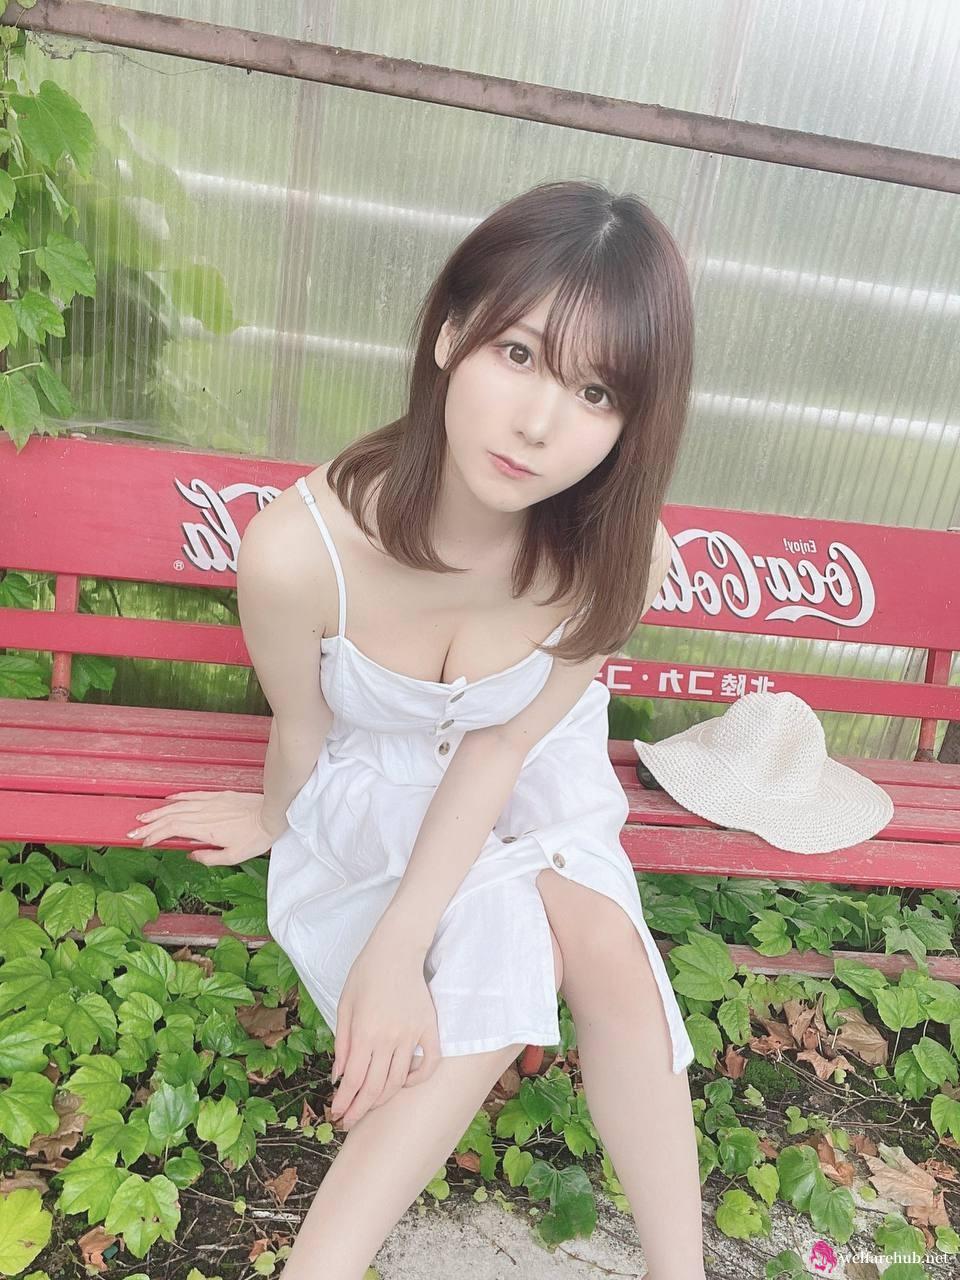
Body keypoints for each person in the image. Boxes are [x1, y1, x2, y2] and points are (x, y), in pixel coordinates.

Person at [129, 179, 704, 1279]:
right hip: (381, 773)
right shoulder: (299, 554)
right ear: (450, 333)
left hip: (529, 754)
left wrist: (402, 945)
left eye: (595, 391)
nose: (539, 424)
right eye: (519, 354)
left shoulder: (623, 554)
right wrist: (276, 817)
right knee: (506, 931)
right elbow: (304, 724)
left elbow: (503, 746)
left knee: (603, 944)